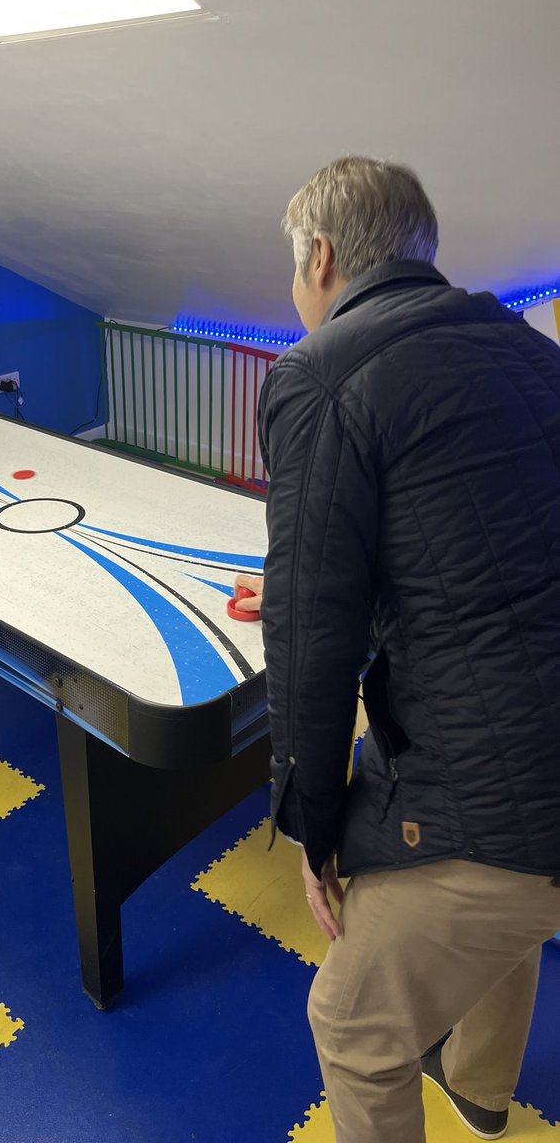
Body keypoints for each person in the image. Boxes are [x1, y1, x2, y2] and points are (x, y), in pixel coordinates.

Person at [253, 156, 560, 1142]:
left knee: (351, 1027)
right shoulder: (528, 348)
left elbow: (309, 631)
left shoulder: (321, 370)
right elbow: (482, 534)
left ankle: (460, 1077)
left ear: (324, 258)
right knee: (511, 908)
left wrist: (312, 824)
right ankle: (479, 1083)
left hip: (507, 786)